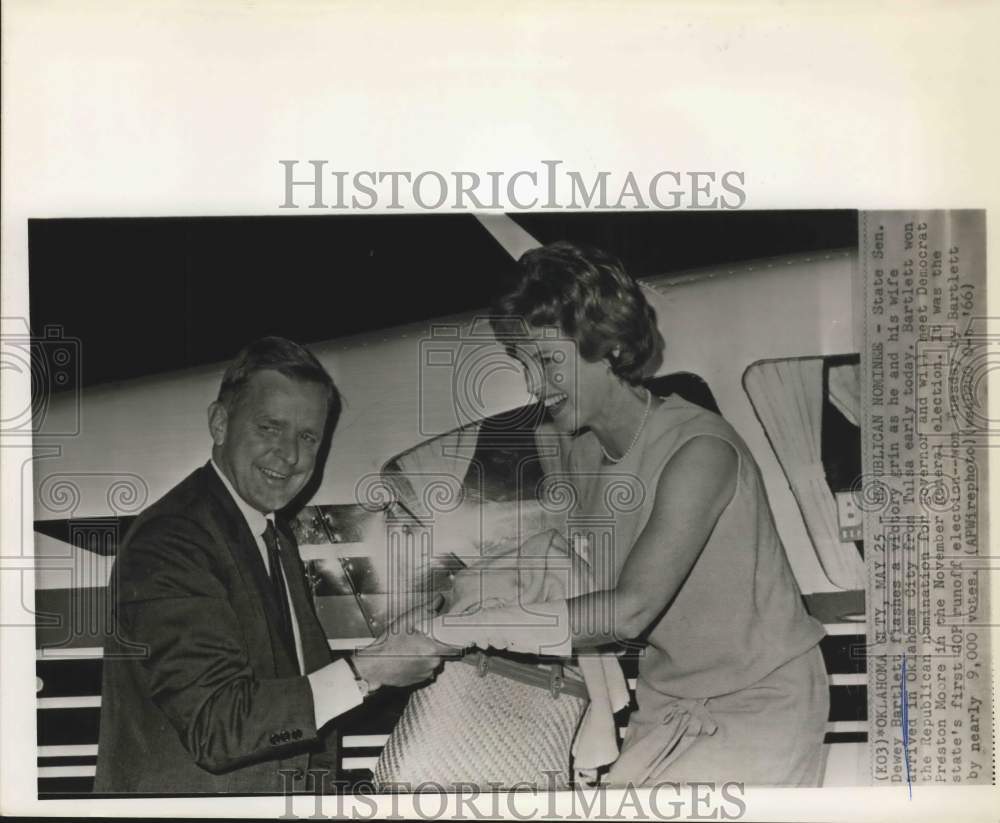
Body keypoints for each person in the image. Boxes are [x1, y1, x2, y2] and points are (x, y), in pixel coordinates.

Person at [433, 242, 829, 787]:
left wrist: (462, 630)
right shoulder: (579, 449)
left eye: (548, 360)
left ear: (611, 347)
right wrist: (472, 588)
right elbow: (581, 565)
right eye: (523, 362)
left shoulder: (701, 450)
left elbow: (630, 610)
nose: (533, 384)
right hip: (669, 695)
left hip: (761, 699)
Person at [95, 337, 446, 794]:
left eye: (307, 437)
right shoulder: (172, 540)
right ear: (220, 423)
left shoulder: (268, 533)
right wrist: (370, 669)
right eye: (269, 428)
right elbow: (216, 727)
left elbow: (296, 706)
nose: (291, 456)